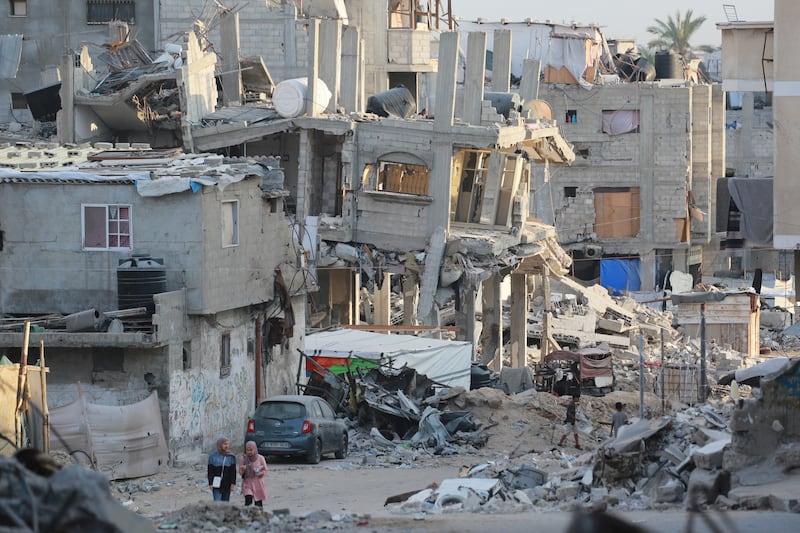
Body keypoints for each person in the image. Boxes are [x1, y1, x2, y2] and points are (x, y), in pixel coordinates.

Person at [239, 441, 268, 507]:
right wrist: (243, 470)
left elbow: (265, 469)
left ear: (255, 449)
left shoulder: (260, 458)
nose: (249, 452)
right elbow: (240, 473)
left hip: (258, 482)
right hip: (247, 483)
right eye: (247, 450)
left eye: (251, 450)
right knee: (248, 499)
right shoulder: (243, 459)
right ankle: (246, 515)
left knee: (258, 502)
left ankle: (259, 515)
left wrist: (261, 473)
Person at [208, 436, 237, 501]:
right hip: (216, 483)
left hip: (227, 483)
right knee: (217, 502)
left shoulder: (231, 457)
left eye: (228, 444)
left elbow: (233, 471)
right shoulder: (213, 456)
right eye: (224, 444)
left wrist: (233, 483)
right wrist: (210, 483)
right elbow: (210, 471)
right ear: (219, 444)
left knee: (225, 503)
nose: (226, 446)